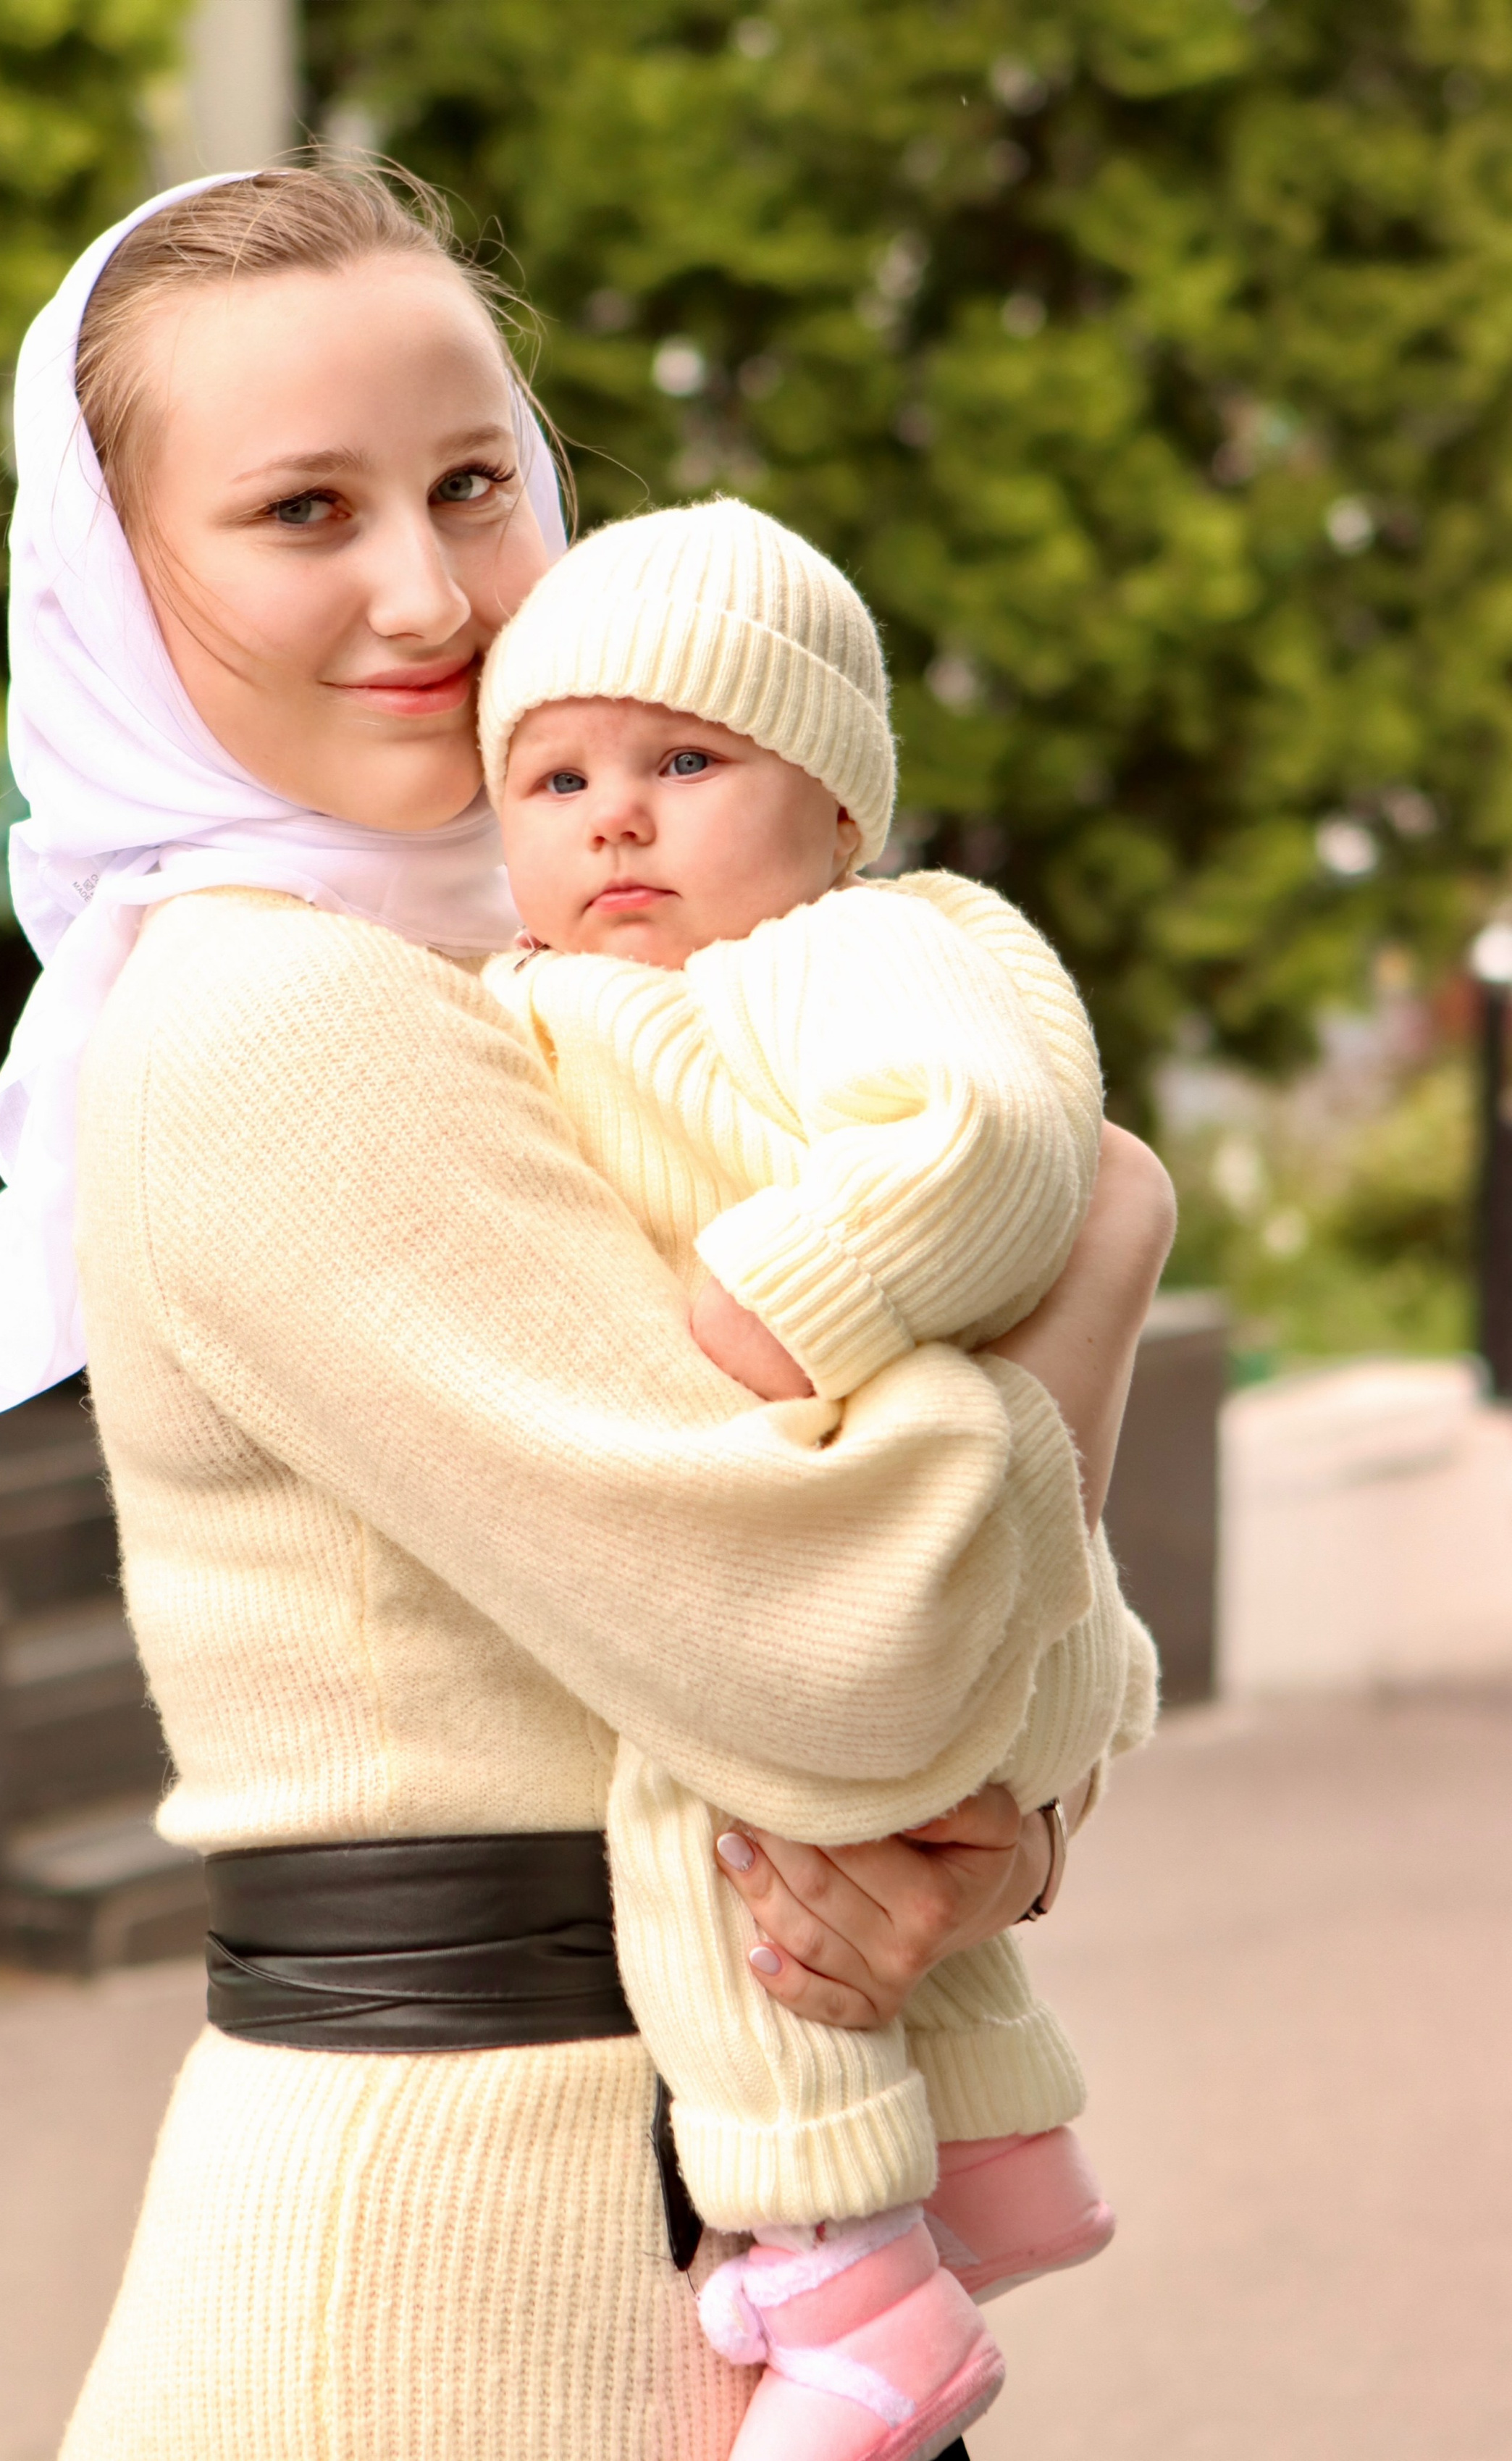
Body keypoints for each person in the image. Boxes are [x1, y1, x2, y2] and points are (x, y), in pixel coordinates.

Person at [0, 164, 1175, 2460]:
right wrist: (1092, 1245)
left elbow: (873, 1677)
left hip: (654, 2217)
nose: (432, 594)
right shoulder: (275, 1021)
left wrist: (1002, 1834)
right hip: (465, 2279)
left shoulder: (547, 988)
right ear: (117, 584)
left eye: (474, 483)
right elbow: (840, 1643)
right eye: (301, 510)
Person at [478, 498, 1162, 2461]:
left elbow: (997, 1142)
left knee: (723, 1848)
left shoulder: (870, 949)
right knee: (754, 1794)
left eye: (688, 762)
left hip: (950, 1539)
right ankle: (994, 2156)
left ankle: (863, 2292)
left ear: (841, 812)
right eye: (560, 775)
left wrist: (793, 1293)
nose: (618, 817)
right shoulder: (556, 988)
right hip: (920, 1529)